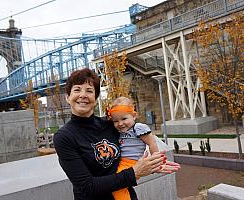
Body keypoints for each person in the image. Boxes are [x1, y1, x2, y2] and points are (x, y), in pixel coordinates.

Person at [53, 68, 176, 200]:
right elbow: (87, 187)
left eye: (89, 91)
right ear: (67, 97)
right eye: (77, 90)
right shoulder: (64, 137)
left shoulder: (111, 124)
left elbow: (136, 138)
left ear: (95, 98)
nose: (83, 95)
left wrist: (152, 164)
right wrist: (135, 172)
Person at [108, 96, 180, 200]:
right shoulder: (120, 131)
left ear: (134, 115)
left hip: (132, 163)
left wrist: (157, 161)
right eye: (115, 121)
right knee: (118, 184)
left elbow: (152, 143)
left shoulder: (138, 128)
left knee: (116, 185)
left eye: (124, 119)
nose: (120, 123)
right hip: (121, 162)